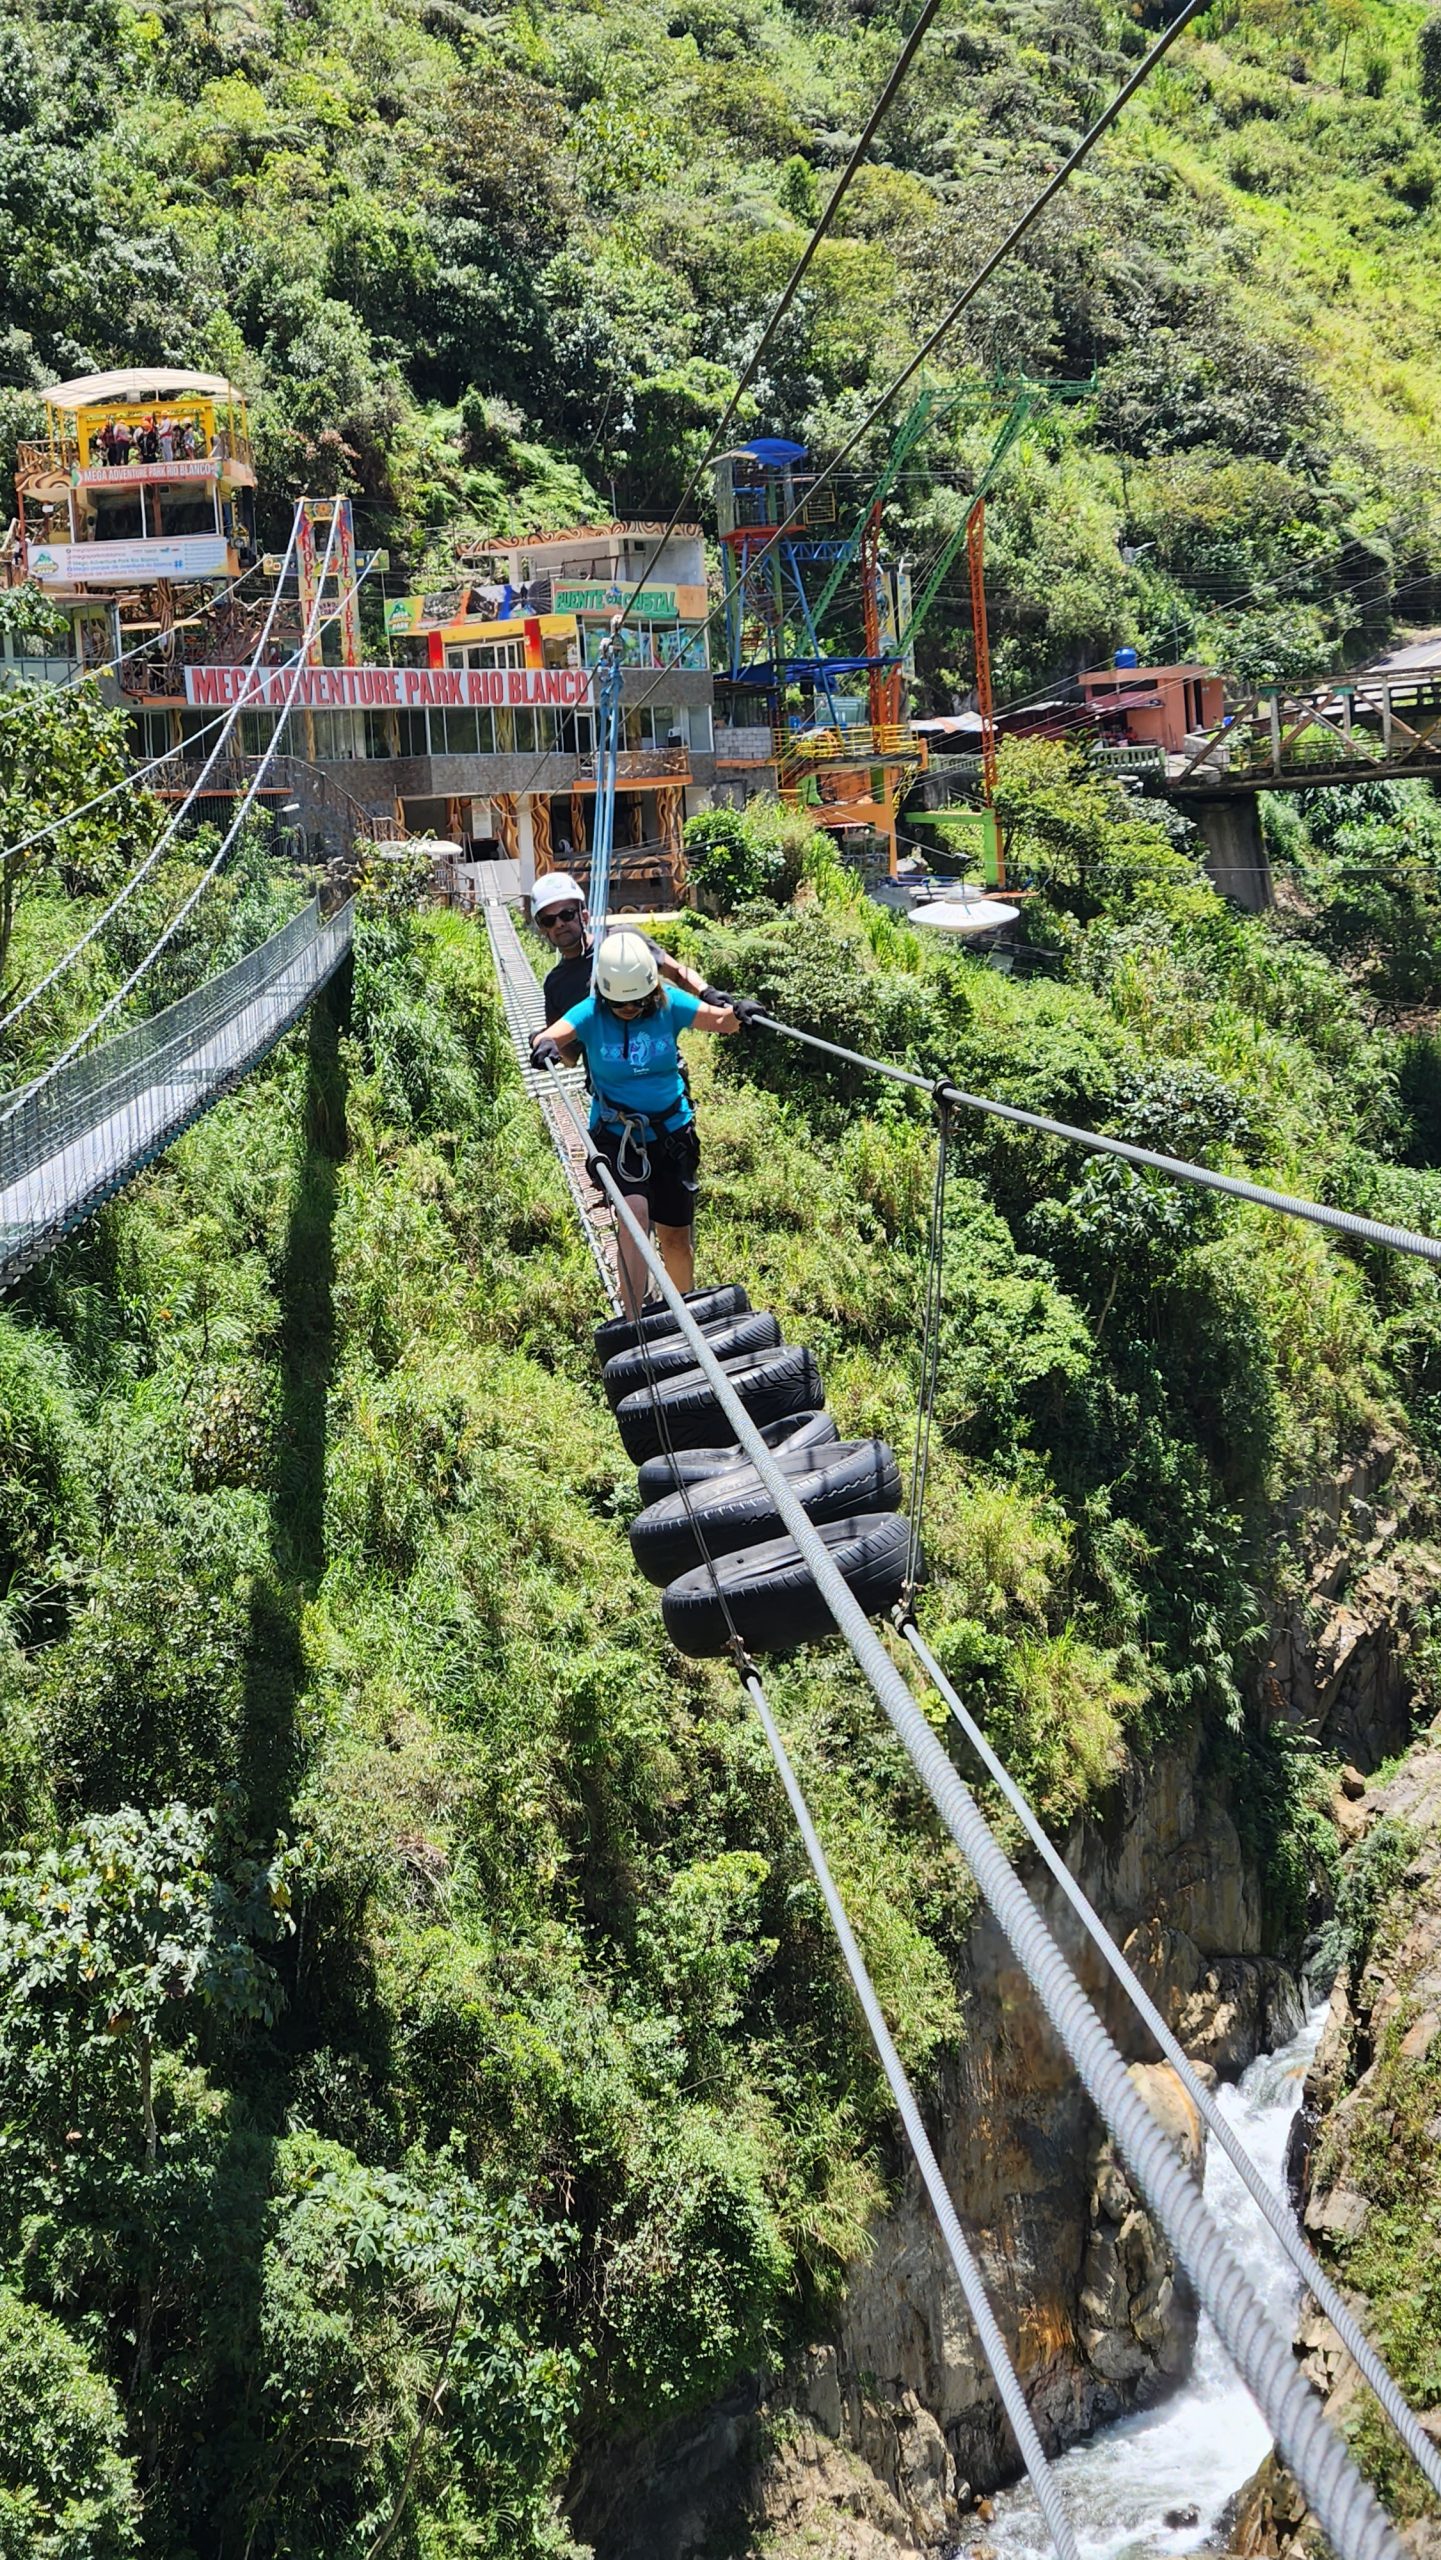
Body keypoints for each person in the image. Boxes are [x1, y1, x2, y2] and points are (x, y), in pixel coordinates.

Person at [532, 931, 740, 1314]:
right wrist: (545, 1043)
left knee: (675, 1237)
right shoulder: (592, 1012)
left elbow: (722, 1022)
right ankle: (634, 1322)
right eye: (620, 1003)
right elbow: (556, 1032)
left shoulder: (669, 1005)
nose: (628, 1009)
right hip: (618, 1137)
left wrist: (741, 1012)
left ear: (652, 991)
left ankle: (686, 1314)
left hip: (671, 1134)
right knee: (635, 1217)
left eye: (637, 1001)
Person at [528, 868, 712, 1021]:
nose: (559, 924)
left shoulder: (625, 939)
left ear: (584, 915)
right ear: (543, 929)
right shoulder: (556, 984)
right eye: (549, 920)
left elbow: (678, 973)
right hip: (603, 1064)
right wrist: (545, 1042)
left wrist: (706, 992)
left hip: (661, 1058)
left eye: (567, 914)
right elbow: (569, 1057)